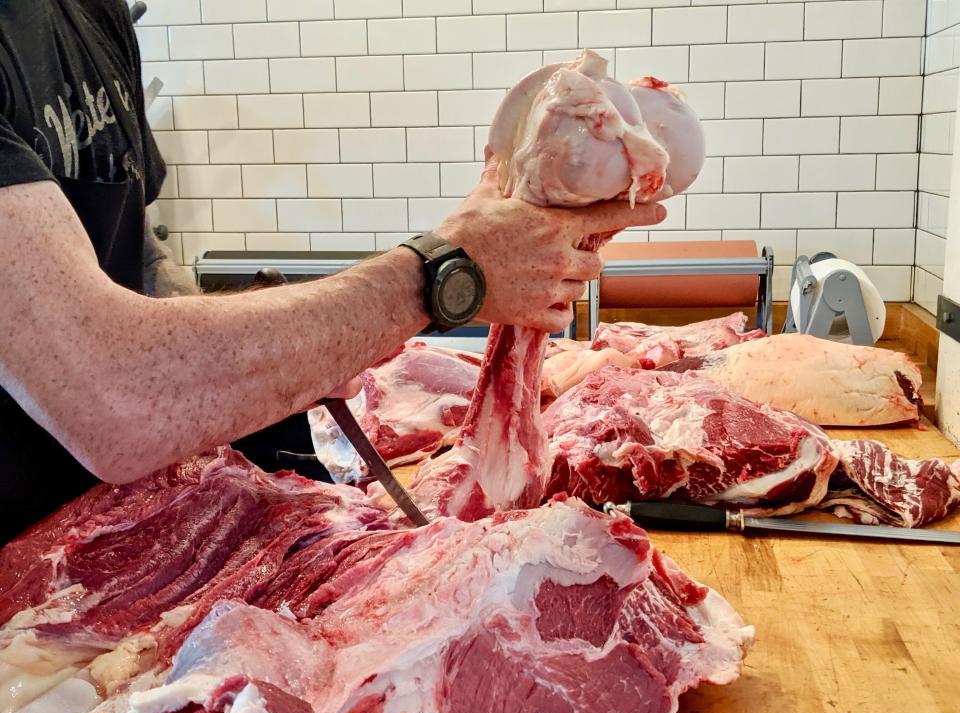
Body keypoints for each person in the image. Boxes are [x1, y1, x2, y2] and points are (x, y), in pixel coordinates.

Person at [0, 1, 665, 543]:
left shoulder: (90, 11)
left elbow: (140, 262)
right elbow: (114, 395)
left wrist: (281, 354)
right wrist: (443, 273)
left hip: (118, 538)